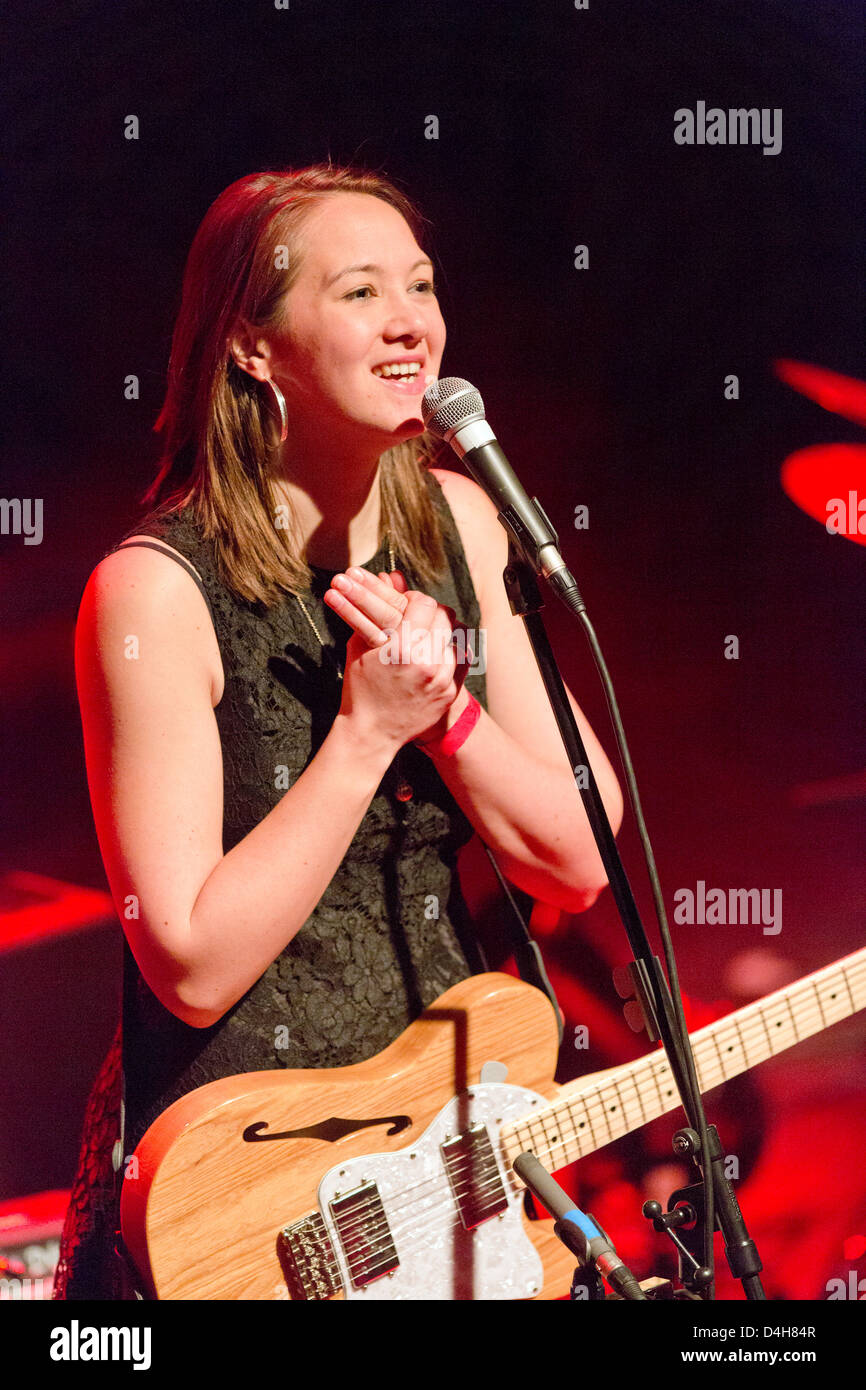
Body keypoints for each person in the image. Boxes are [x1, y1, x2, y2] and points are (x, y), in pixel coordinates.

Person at [53, 164, 623, 1300]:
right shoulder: (154, 592)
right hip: (247, 1189)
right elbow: (189, 964)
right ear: (252, 347)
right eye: (360, 292)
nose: (412, 321)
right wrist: (366, 735)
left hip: (440, 1150)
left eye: (420, 285)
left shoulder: (458, 521)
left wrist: (447, 716)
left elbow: (576, 858)